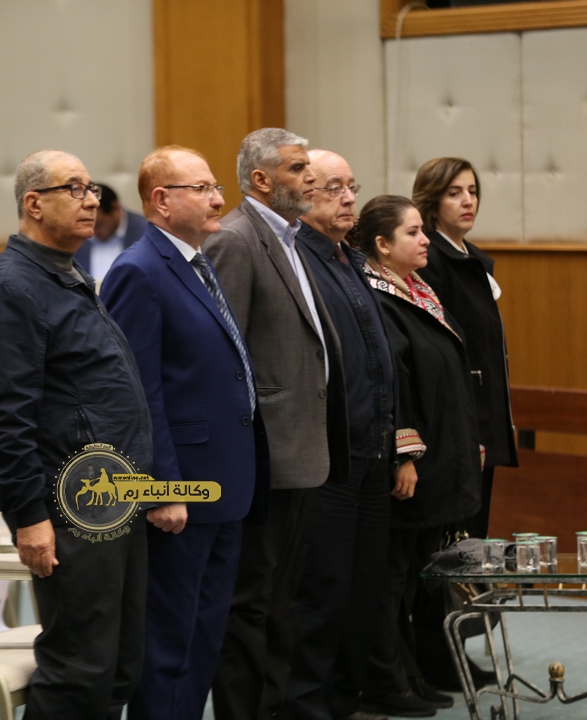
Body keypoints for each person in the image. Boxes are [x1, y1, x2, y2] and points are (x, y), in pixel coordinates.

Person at [0, 150, 153, 720]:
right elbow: (3, 418)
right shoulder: (11, 287)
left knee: (117, 667)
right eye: (74, 188)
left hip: (115, 498)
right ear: (34, 203)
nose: (91, 199)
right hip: (73, 505)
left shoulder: (65, 275)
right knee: (79, 670)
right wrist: (28, 515)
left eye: (91, 188)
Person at [100, 146, 269, 720]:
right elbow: (136, 394)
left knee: (203, 638)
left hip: (222, 485)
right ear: (161, 201)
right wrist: (159, 488)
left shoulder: (197, 261)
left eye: (215, 186)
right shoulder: (138, 270)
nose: (218, 198)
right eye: (201, 189)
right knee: (170, 642)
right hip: (181, 492)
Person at [203, 128, 348, 720]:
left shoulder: (287, 238)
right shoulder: (237, 240)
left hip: (302, 449)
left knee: (282, 598)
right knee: (251, 601)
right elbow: (225, 354)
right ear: (261, 180)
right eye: (296, 168)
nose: (309, 177)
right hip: (265, 453)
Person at [354, 195, 482, 719]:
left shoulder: (420, 290)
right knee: (390, 580)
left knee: (412, 580)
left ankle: (410, 672)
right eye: (412, 232)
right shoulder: (376, 297)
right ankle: (384, 680)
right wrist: (402, 455)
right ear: (382, 245)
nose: (425, 238)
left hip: (440, 457)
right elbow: (393, 384)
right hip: (409, 464)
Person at [287, 151, 397, 720]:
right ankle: (308, 705)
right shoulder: (297, 260)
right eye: (333, 188)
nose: (349, 198)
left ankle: (344, 699)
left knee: (362, 588)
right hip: (328, 456)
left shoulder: (348, 258)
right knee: (322, 589)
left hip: (372, 450)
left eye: (352, 186)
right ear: (302, 194)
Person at [411, 157, 518, 689]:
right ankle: (434, 652)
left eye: (472, 190)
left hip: (482, 425)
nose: (468, 201)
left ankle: (453, 645)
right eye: (454, 192)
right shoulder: (431, 261)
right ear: (432, 200)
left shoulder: (472, 259)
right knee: (446, 548)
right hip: (455, 431)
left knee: (471, 545)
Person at [73, 182, 149, 283]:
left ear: (115, 208)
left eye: (99, 225)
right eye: (89, 225)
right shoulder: (76, 235)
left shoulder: (146, 233)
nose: (92, 233)